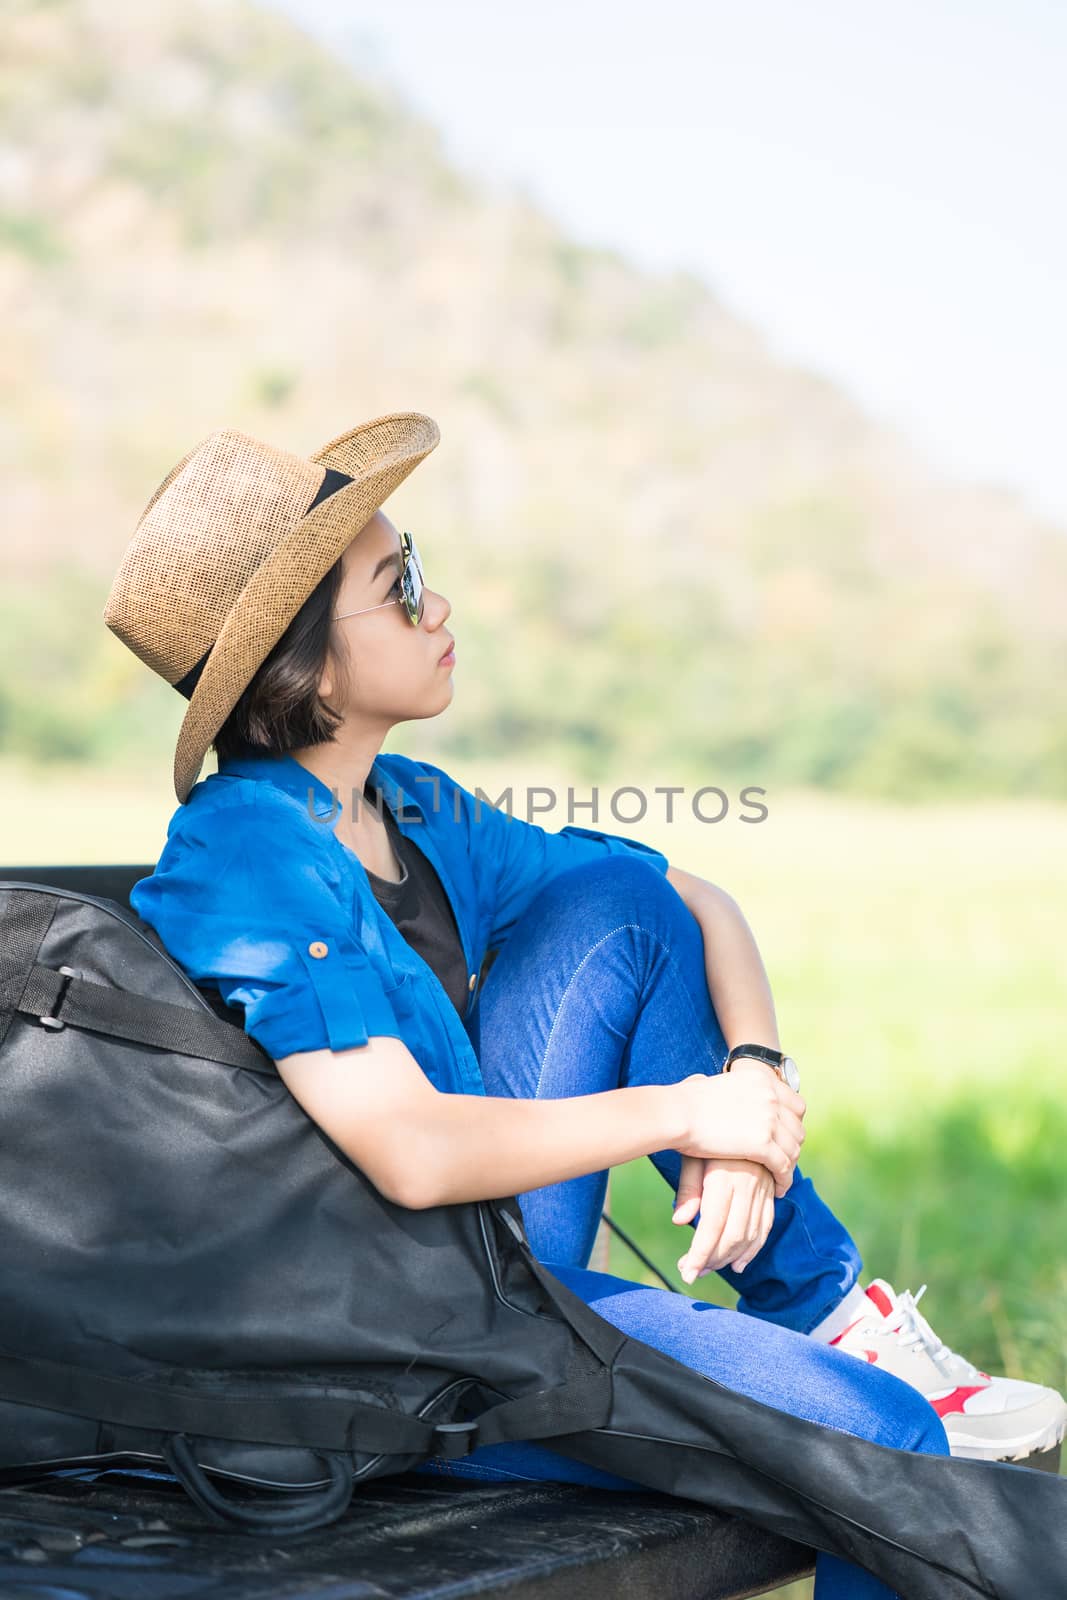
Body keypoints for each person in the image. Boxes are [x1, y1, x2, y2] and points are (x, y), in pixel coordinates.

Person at [106, 415, 1066, 1600]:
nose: (437, 602)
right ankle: (833, 1344)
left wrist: (752, 1079)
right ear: (302, 663)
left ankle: (818, 1301)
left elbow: (689, 897)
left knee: (617, 899)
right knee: (883, 1441)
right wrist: (682, 1113)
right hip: (389, 1345)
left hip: (483, 1268)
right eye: (396, 584)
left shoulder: (408, 807)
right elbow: (406, 1150)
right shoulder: (245, 848)